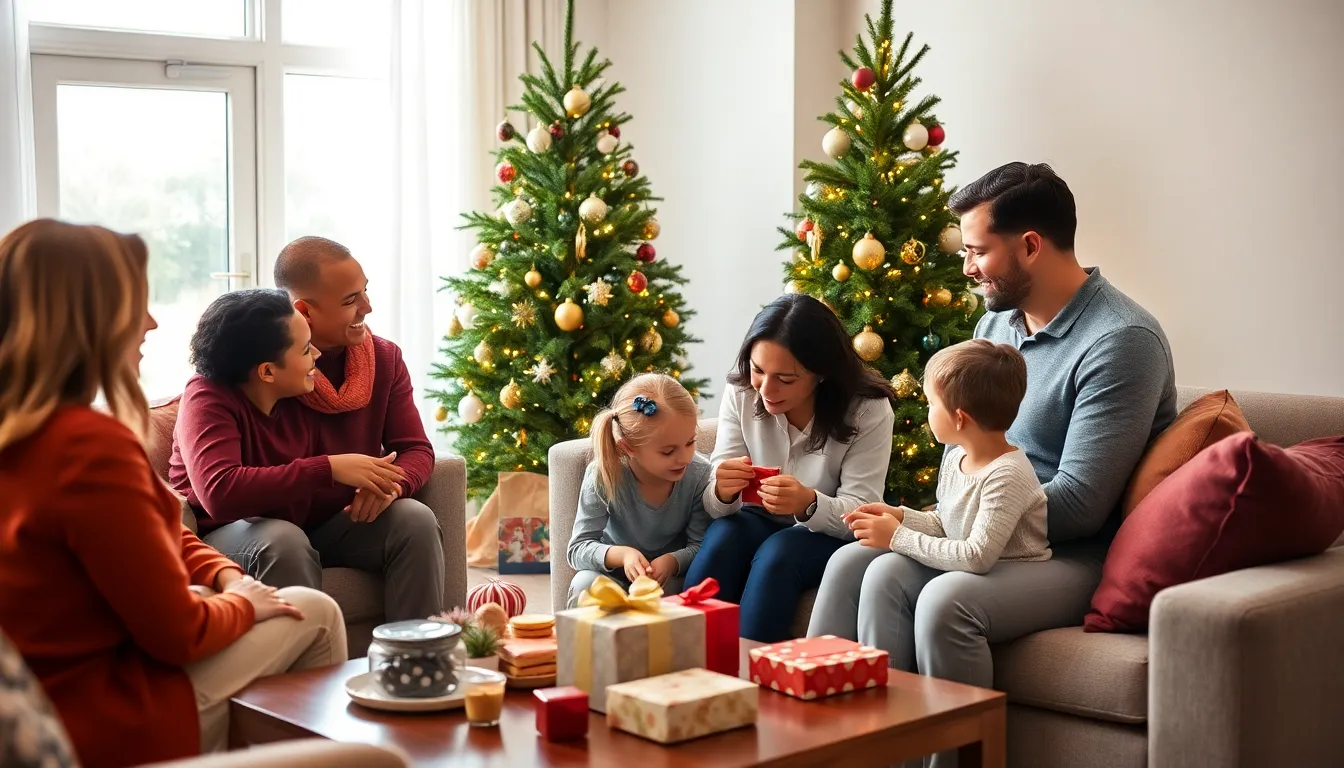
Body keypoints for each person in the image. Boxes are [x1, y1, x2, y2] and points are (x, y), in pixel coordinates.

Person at [0, 220, 347, 768]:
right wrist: (242, 603)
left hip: (71, 684)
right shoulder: (86, 448)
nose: (152, 323)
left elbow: (162, 532)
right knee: (316, 613)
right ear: (85, 321)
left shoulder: (28, 432)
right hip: (109, 715)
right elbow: (178, 635)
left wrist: (223, 575)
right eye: (133, 306)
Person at [907, 163, 1175, 767]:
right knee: (859, 563)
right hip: (989, 528)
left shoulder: (1121, 340)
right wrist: (938, 523)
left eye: (977, 251)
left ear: (1030, 245)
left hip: (1072, 554)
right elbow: (965, 448)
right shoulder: (996, 322)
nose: (967, 268)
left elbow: (1080, 506)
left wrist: (963, 528)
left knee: (946, 601)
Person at [170, 281, 444, 622]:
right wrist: (328, 468)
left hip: (317, 528)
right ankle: (306, 671)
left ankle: (417, 661)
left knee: (413, 519)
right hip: (234, 536)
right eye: (305, 350)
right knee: (284, 539)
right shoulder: (206, 397)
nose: (317, 356)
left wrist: (386, 485)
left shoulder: (303, 388)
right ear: (267, 371)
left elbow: (414, 447)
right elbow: (219, 491)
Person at [808, 339, 1050, 668]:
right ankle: (823, 672)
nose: (927, 412)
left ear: (961, 418)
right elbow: (944, 524)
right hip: (970, 561)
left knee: (887, 566)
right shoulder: (958, 458)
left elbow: (977, 555)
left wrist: (896, 536)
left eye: (931, 404)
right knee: (862, 563)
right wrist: (900, 516)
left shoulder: (1007, 475)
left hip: (1010, 570)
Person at [683, 294, 896, 642]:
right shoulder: (740, 391)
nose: (766, 389)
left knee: (780, 553)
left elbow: (863, 509)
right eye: (758, 370)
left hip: (825, 534)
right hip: (755, 518)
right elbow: (715, 502)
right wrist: (722, 488)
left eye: (786, 378)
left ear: (821, 374)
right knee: (724, 537)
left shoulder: (868, 410)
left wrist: (809, 503)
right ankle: (678, 660)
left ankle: (756, 676)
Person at [566, 373, 713, 607]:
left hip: (666, 580)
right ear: (628, 447)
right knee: (585, 586)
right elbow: (577, 549)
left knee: (683, 594)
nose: (684, 457)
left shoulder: (699, 474)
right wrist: (623, 555)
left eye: (690, 442)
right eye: (667, 451)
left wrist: (672, 562)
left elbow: (702, 546)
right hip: (610, 578)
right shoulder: (603, 474)